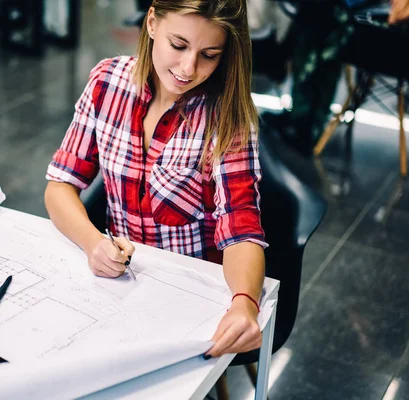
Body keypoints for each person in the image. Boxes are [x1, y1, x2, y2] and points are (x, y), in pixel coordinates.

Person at [45, 0, 266, 359]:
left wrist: (244, 303)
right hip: (117, 284)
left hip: (190, 297)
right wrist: (93, 243)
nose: (187, 68)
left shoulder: (227, 117)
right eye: (178, 45)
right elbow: (60, 186)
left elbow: (240, 227)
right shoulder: (107, 83)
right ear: (151, 23)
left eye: (209, 55)